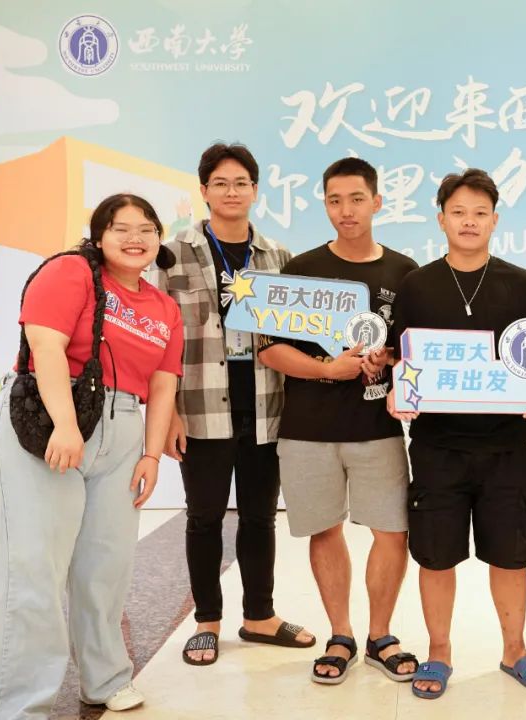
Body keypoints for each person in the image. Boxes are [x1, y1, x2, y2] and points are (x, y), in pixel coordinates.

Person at [0, 194, 183, 717]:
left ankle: (105, 678)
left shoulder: (164, 307)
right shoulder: (71, 271)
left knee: (105, 566)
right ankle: (17, 707)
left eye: (146, 228)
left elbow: (163, 385)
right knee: (34, 569)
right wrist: (67, 426)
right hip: (48, 419)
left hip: (122, 427)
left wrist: (151, 455)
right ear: (98, 236)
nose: (135, 238)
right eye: (121, 228)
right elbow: (45, 346)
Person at [387, 169, 526, 699]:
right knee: (436, 555)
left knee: (511, 554)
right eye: (458, 212)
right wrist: (397, 390)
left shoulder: (520, 284)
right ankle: (439, 652)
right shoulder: (417, 285)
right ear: (441, 219)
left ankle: (515, 650)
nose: (469, 222)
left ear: (495, 221)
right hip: (437, 447)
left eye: (480, 213)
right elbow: (401, 357)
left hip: (507, 446)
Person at [258, 157, 419, 684]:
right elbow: (270, 350)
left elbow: (416, 349)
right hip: (308, 430)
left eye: (356, 199)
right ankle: (341, 634)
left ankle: (381, 635)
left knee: (391, 531)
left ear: (377, 202)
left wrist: (389, 358)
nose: (345, 210)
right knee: (324, 530)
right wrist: (330, 369)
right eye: (334, 200)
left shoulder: (405, 272)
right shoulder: (301, 269)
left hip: (378, 428)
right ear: (325, 204)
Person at [157, 143, 314, 666]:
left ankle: (259, 616)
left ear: (255, 190)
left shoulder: (277, 256)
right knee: (203, 518)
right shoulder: (172, 254)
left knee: (260, 518)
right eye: (220, 183)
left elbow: (296, 332)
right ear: (204, 191)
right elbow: (160, 339)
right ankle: (207, 621)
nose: (231, 192)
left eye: (241, 183)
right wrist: (168, 413)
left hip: (265, 405)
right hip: (200, 407)